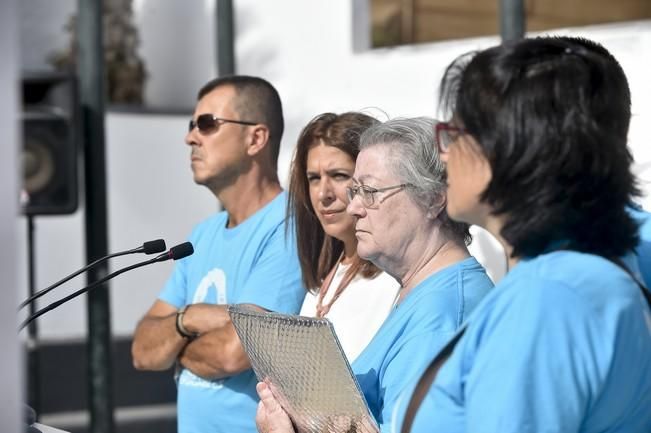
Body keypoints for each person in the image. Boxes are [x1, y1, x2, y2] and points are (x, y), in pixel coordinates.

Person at [397, 36, 651, 433]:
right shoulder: (574, 278)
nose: (444, 153)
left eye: (455, 133)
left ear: (514, 148)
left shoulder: (551, 295)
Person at [256, 117, 494, 433]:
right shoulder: (423, 294)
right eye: (355, 191)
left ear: (434, 198)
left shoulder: (440, 316)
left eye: (369, 191)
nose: (354, 207)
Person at [131, 75, 305, 433]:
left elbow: (233, 352)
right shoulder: (202, 235)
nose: (190, 137)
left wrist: (174, 346)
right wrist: (190, 319)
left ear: (255, 138)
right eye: (192, 124)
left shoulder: (290, 226)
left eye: (208, 124)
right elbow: (143, 351)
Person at [289, 112, 401, 362]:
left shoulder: (395, 278)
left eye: (339, 175)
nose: (323, 194)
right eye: (314, 179)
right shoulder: (324, 279)